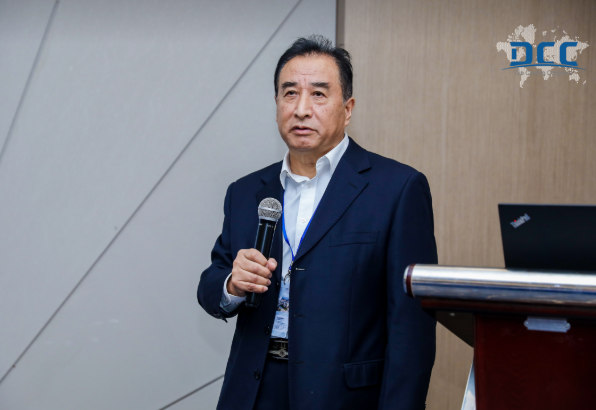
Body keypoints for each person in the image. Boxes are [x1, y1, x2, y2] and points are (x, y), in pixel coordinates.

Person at [198, 35, 437, 410]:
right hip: (253, 391)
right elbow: (211, 285)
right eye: (290, 93)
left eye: (319, 94)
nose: (301, 109)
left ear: (348, 108)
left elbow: (412, 328)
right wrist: (232, 283)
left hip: (343, 396)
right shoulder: (245, 192)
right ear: (277, 104)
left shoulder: (397, 189)